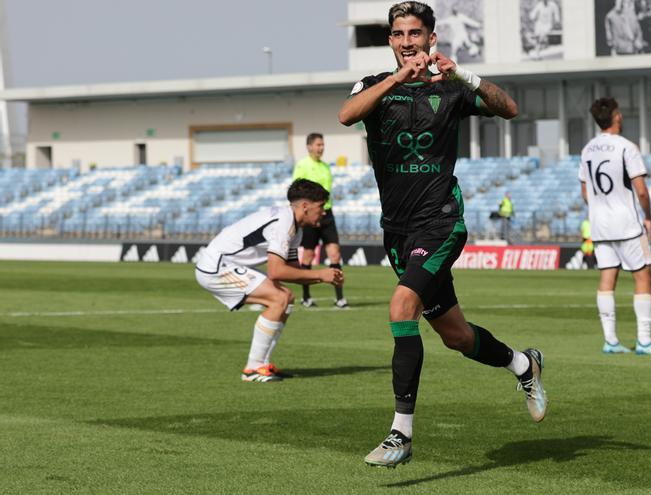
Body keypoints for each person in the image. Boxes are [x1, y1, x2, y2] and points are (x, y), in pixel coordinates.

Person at [338, 1, 546, 468]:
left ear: (431, 38)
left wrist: (465, 76)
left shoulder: (451, 88)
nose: (406, 42)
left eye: (415, 33)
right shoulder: (374, 87)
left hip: (441, 222)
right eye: (397, 34)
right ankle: (523, 365)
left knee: (400, 306)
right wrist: (396, 79)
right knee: (456, 337)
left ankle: (401, 434)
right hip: (396, 231)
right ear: (390, 40)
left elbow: (509, 108)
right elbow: (346, 115)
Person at [195, 179, 344, 382]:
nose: (324, 212)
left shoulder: (295, 227)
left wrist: (325, 278)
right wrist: (320, 274)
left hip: (224, 264)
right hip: (216, 266)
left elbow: (292, 272)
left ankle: (262, 364)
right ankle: (253, 368)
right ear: (305, 206)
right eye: (321, 207)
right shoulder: (284, 223)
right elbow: (276, 271)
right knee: (278, 299)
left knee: (286, 297)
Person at [578, 96, 651, 356]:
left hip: (600, 225)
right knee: (643, 277)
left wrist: (600, 207)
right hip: (627, 224)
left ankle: (611, 341)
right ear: (616, 116)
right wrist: (648, 216)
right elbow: (641, 190)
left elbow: (585, 192)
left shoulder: (588, 149)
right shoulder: (626, 147)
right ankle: (644, 341)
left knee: (607, 278)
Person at [292, 133, 348, 309]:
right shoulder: (302, 165)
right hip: (310, 216)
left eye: (322, 145)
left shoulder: (325, 167)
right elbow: (298, 190)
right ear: (309, 147)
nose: (321, 148)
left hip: (327, 214)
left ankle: (340, 299)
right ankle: (306, 297)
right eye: (318, 145)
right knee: (308, 256)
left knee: (335, 254)